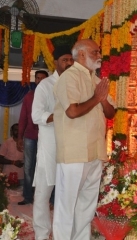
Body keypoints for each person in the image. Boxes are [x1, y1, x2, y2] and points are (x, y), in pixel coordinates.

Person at [52, 39, 115, 240]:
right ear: (81, 54)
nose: (99, 55)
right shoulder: (68, 77)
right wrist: (96, 98)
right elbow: (72, 111)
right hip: (74, 153)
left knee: (87, 205)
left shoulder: (96, 80)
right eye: (95, 52)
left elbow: (111, 113)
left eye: (99, 51)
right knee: (66, 205)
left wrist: (102, 98)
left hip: (95, 151)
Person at [31, 46, 74, 240]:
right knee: (42, 194)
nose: (69, 63)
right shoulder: (45, 85)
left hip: (71, 147)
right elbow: (36, 115)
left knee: (66, 194)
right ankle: (41, 234)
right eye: (65, 60)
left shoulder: (75, 84)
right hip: (49, 147)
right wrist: (60, 116)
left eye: (71, 60)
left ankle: (62, 234)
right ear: (56, 62)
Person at [17, 70, 48, 205]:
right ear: (35, 80)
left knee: (46, 167)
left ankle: (46, 198)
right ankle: (28, 197)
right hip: (30, 136)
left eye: (43, 78)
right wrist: (19, 137)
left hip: (46, 137)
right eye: (38, 78)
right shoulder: (29, 97)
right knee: (29, 167)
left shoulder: (52, 96)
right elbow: (23, 118)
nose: (40, 80)